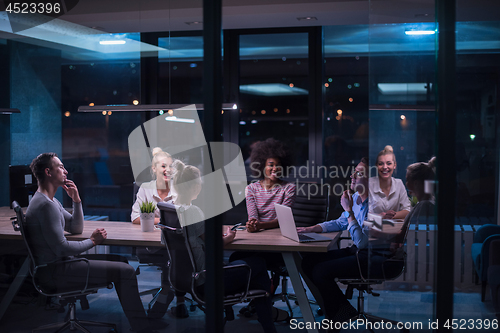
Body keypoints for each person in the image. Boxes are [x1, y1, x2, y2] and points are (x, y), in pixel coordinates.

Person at [25, 153, 166, 333]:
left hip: (58, 266)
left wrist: (76, 201)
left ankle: (141, 322)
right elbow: (61, 249)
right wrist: (92, 241)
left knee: (121, 262)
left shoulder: (51, 202)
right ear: (48, 172)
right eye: (60, 167)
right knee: (126, 271)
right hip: (55, 272)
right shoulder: (46, 206)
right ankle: (142, 328)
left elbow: (75, 228)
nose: (66, 171)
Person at [169, 160, 277, 333]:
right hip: (206, 281)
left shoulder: (170, 211)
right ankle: (268, 326)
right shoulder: (193, 211)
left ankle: (246, 315)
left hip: (183, 279)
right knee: (259, 265)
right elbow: (214, 246)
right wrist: (229, 237)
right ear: (194, 187)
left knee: (244, 263)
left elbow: (191, 241)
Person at [296, 158, 371, 328]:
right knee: (308, 263)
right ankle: (340, 310)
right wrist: (311, 228)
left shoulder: (376, 205)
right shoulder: (358, 198)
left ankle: (336, 316)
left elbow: (362, 243)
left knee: (321, 271)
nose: (352, 176)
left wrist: (349, 210)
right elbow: (339, 223)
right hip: (357, 251)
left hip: (369, 256)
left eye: (359, 173)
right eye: (354, 171)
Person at [130, 147, 188, 319]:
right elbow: (135, 217)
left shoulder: (181, 189)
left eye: (171, 167)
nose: (168, 170)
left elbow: (186, 219)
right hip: (152, 245)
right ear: (153, 169)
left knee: (177, 259)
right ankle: (170, 295)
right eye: (163, 166)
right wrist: (166, 222)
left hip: (178, 244)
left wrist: (153, 220)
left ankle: (169, 300)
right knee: (173, 263)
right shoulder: (145, 189)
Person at [245, 138, 296, 232]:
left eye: (278, 165)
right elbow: (253, 215)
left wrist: (259, 226)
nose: (275, 168)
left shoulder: (289, 188)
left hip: (281, 233)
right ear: (262, 166)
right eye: (271, 165)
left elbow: (282, 220)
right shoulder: (251, 189)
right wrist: (252, 223)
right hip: (259, 233)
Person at [368, 145, 411, 220]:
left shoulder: (399, 183)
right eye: (381, 164)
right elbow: (364, 214)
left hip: (395, 229)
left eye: (389, 163)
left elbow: (407, 210)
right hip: (373, 230)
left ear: (395, 165)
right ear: (376, 166)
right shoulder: (369, 184)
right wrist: (382, 216)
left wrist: (390, 215)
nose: (385, 167)